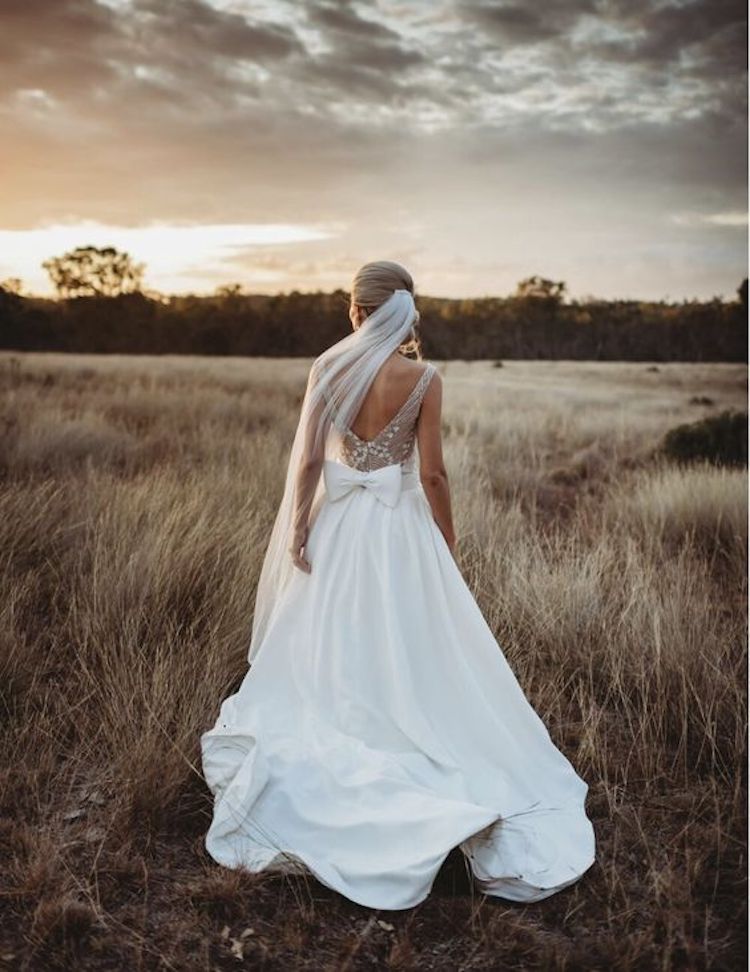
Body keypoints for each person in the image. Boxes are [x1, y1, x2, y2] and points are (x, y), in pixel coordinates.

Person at [200, 260, 596, 910]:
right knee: (414, 639)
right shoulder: (426, 379)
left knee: (332, 637)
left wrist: (300, 526)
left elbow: (306, 461)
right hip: (399, 528)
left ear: (358, 312)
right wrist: (445, 539)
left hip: (342, 524)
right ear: (405, 312)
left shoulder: (327, 370)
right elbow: (434, 474)